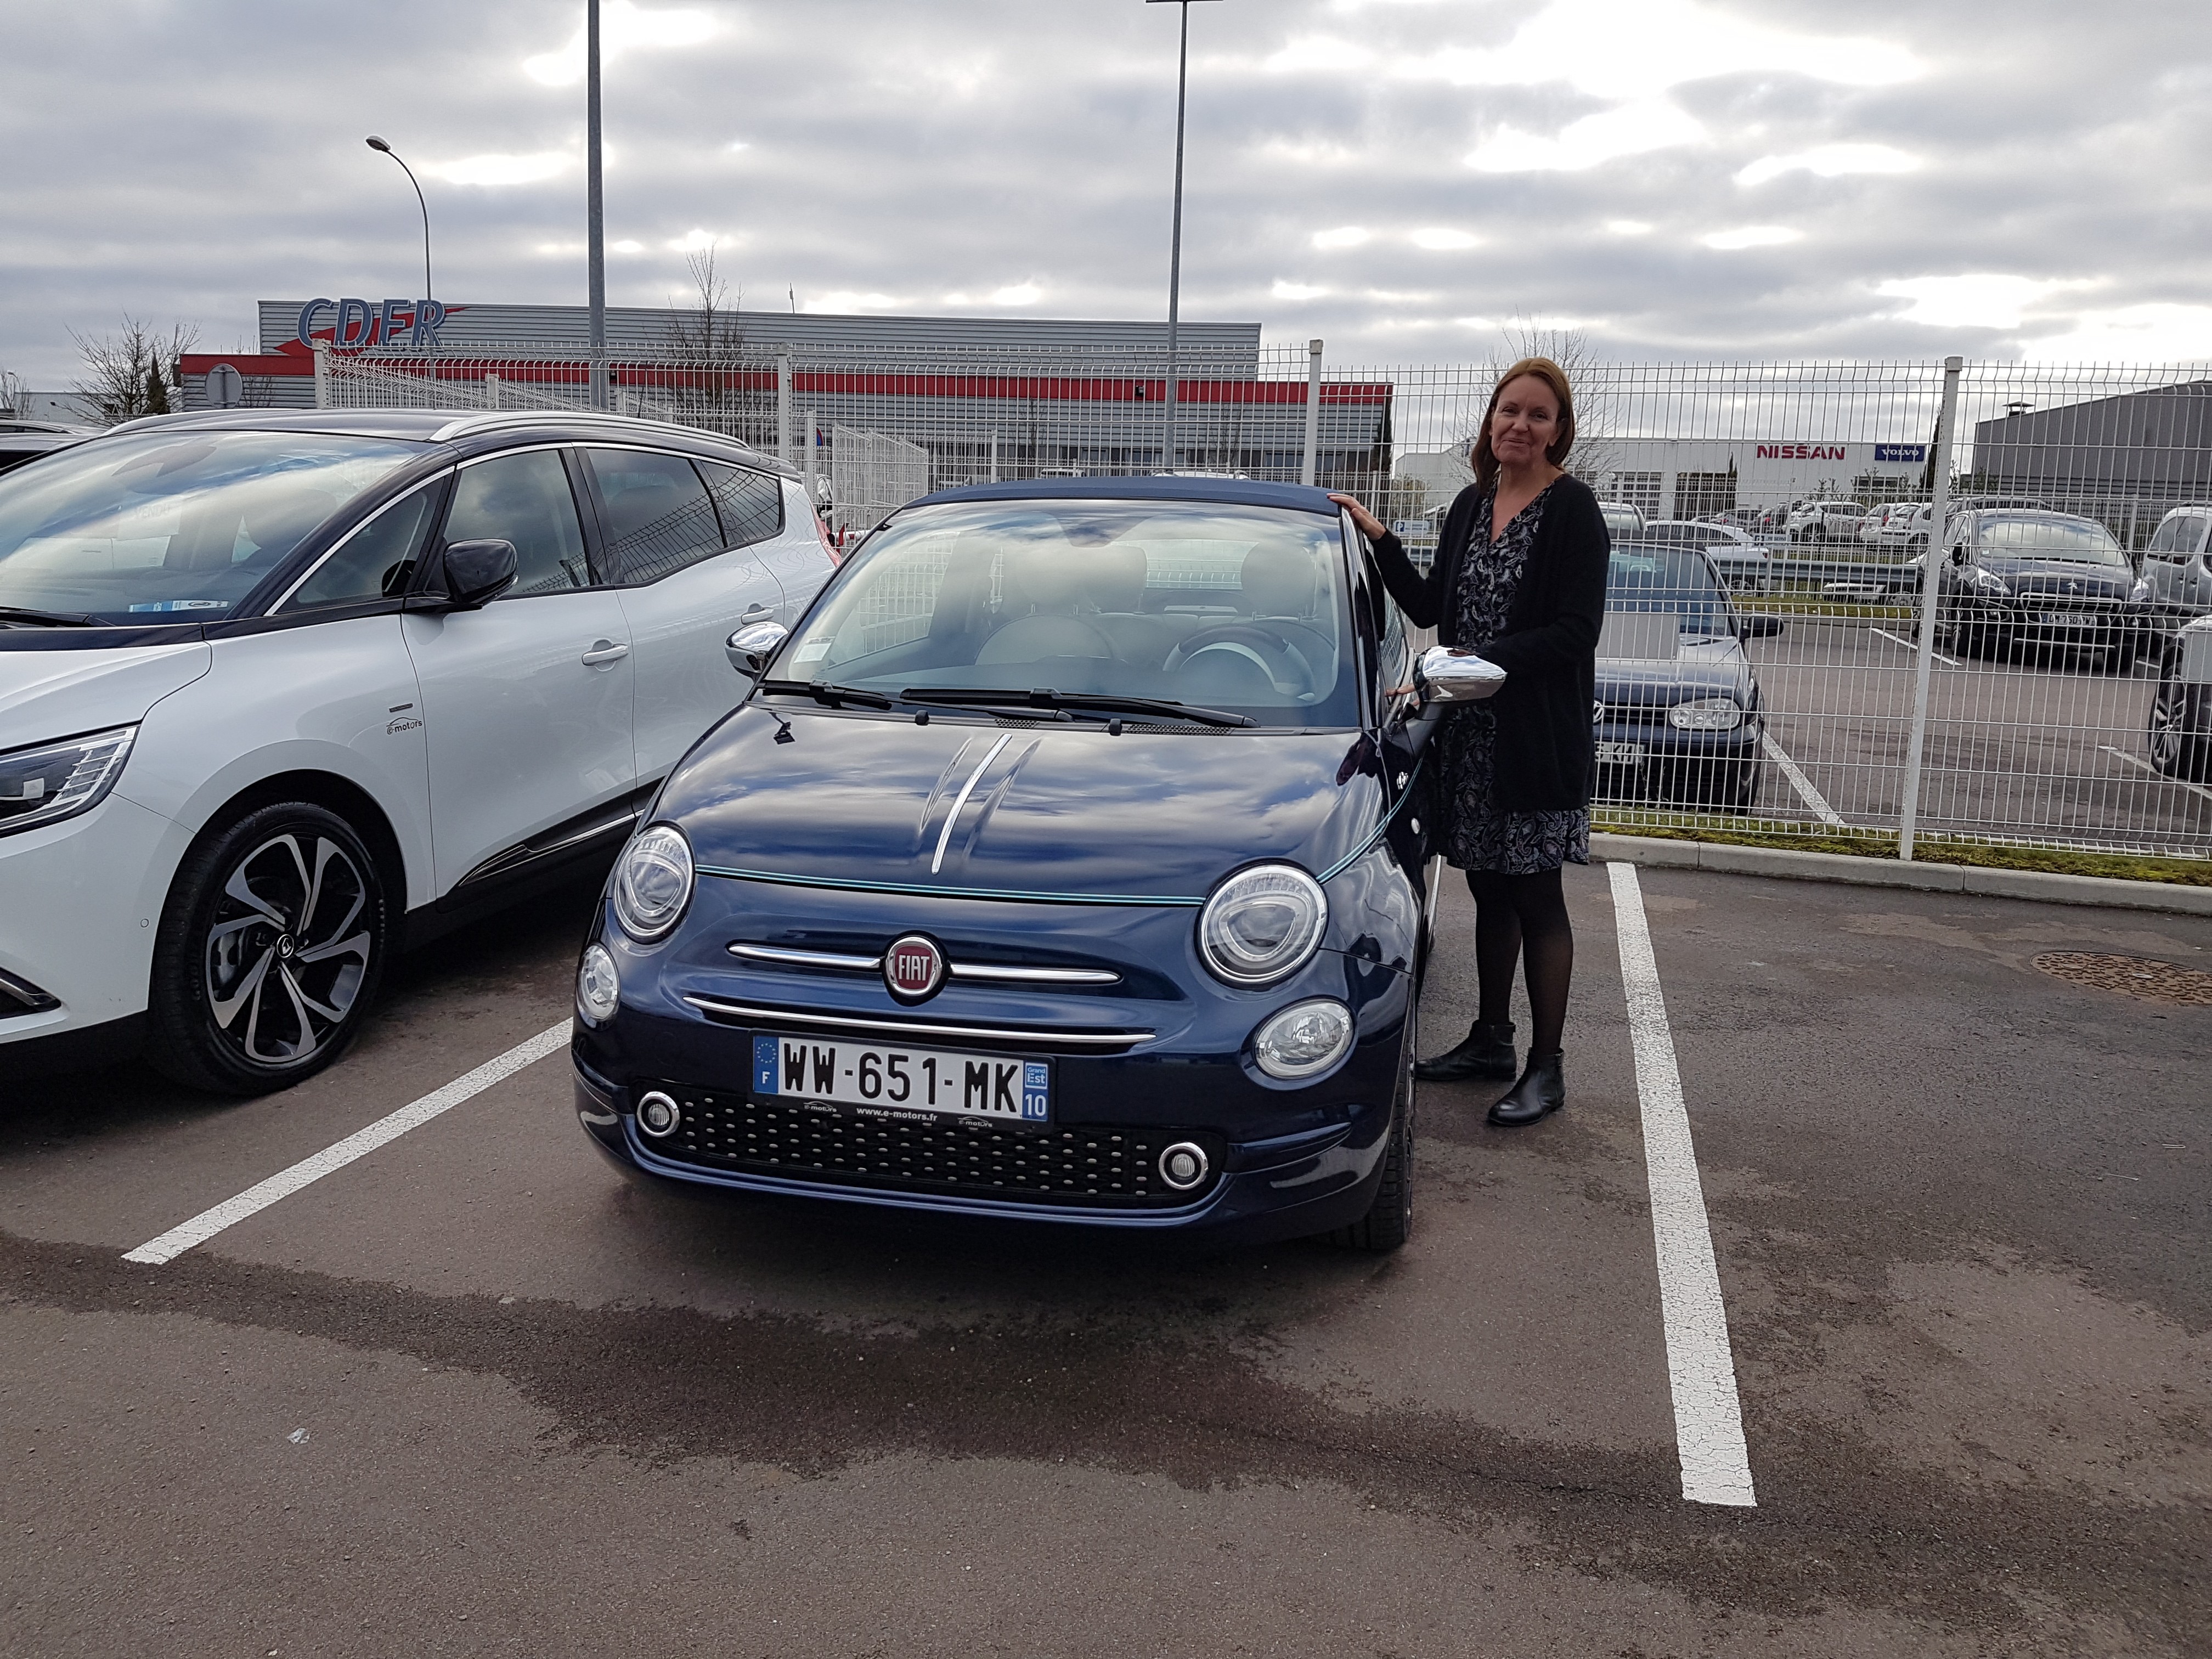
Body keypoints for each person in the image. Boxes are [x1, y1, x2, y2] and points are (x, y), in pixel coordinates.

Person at [1331, 357, 1607, 1126]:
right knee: (1488, 886)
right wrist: (1376, 536)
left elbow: (1575, 633)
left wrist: (1471, 665)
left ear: (1559, 431)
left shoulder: (1573, 510)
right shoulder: (1469, 504)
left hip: (1532, 739)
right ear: (1490, 421)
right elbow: (1429, 604)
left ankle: (1547, 1068)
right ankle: (1492, 1039)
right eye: (1508, 410)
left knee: (1536, 896)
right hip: (1471, 739)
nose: (1520, 424)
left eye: (1538, 415)